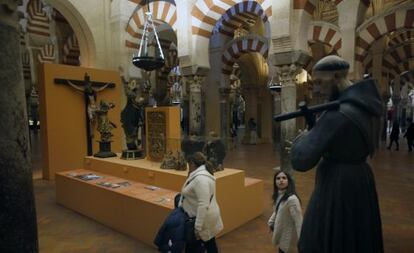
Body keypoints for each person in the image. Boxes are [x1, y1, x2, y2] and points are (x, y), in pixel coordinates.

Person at [291, 55, 384, 253]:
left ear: (335, 76)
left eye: (319, 82)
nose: (316, 88)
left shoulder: (337, 113)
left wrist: (305, 135)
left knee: (316, 240)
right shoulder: (368, 107)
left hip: (337, 185)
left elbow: (301, 160)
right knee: (357, 237)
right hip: (361, 179)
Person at [179, 152, 223, 253]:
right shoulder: (198, 175)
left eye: (188, 164)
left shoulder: (200, 179)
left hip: (201, 220)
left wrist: (197, 227)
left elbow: (203, 204)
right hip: (203, 218)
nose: (187, 167)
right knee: (209, 243)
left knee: (194, 247)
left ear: (193, 164)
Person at [268, 170, 302, 253]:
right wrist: (271, 221)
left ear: (288, 181)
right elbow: (278, 209)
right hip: (281, 234)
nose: (281, 180)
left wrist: (302, 241)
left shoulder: (292, 200)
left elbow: (299, 221)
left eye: (284, 178)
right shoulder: (279, 195)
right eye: (278, 178)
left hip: (288, 238)